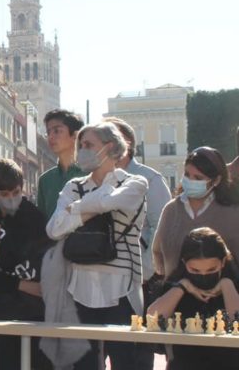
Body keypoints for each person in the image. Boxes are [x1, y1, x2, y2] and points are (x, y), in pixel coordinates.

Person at [46, 122, 148, 370]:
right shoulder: (73, 186)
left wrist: (78, 208)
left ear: (110, 147)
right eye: (81, 145)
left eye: (89, 145)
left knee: (126, 363)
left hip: (122, 290)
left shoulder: (135, 182)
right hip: (79, 288)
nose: (82, 150)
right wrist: (91, 208)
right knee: (84, 366)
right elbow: (54, 228)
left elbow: (110, 202)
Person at [103, 117, 172, 370]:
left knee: (133, 358)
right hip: (100, 283)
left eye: (107, 139)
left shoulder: (150, 179)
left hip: (136, 285)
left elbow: (161, 229)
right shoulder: (95, 179)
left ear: (126, 143)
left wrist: (141, 272)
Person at [0, 159, 52, 370]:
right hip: (3, 313)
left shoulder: (37, 219)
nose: (11, 199)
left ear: (23, 187)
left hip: (38, 314)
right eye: (4, 194)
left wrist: (1, 256)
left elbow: (42, 272)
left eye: (16, 192)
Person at [148, 227, 239, 369]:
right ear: (185, 264)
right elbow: (151, 319)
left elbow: (237, 321)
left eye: (211, 270)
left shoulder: (234, 286)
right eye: (195, 270)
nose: (203, 275)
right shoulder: (175, 287)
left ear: (223, 263)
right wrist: (183, 286)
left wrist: (227, 285)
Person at [153, 146, 239, 279]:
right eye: (187, 175)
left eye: (198, 178)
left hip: (219, 296)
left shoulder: (231, 214)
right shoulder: (171, 209)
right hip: (175, 295)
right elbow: (157, 251)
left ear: (216, 181)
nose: (191, 181)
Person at [37, 109, 86, 220]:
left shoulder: (91, 173)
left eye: (57, 131)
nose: (50, 137)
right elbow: (42, 223)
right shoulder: (45, 180)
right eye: (48, 132)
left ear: (75, 135)